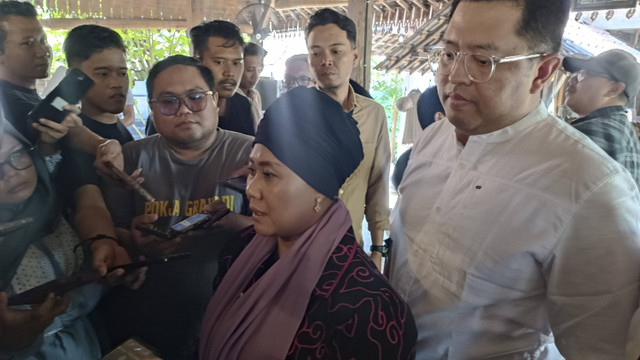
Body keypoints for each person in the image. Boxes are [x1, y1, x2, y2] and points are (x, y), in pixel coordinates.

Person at [389, 0, 640, 358]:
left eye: (482, 61)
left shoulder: (590, 187)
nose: (454, 76)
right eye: (448, 53)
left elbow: (600, 348)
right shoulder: (433, 138)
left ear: (542, 71)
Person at [199, 86, 417, 360]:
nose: (251, 189)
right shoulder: (238, 254)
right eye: (252, 171)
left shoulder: (369, 308)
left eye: (269, 174)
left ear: (319, 188)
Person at [98, 55, 253, 359]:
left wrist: (236, 225)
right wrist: (135, 241)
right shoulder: (127, 160)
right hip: (149, 315)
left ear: (216, 101)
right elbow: (109, 231)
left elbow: (285, 231)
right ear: (152, 110)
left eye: (195, 98)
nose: (183, 110)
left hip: (234, 312)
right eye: (168, 102)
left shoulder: (253, 153)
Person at [306, 8, 390, 269]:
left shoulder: (373, 115)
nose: (325, 60)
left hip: (350, 249)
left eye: (336, 51)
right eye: (315, 52)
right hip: (299, 248)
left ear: (354, 55)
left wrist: (377, 249)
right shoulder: (291, 114)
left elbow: (378, 185)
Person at [563, 49, 640, 186]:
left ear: (614, 89)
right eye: (576, 72)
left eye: (584, 74)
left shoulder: (590, 134)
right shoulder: (624, 130)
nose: (572, 78)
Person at [190, 20, 255, 136]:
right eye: (219, 62)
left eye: (236, 63)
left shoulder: (243, 105)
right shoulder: (177, 111)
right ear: (197, 63)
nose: (229, 73)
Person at [238, 42, 267, 130]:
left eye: (259, 70)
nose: (256, 76)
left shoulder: (255, 95)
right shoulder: (231, 98)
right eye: (250, 70)